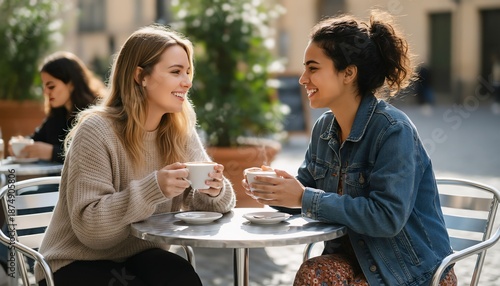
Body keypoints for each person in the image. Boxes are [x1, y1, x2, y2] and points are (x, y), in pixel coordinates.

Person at [242, 11, 456, 286]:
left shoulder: (392, 130)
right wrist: (273, 190)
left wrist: (304, 197)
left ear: (349, 73)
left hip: (409, 272)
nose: (302, 78)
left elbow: (387, 217)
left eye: (313, 68)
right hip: (357, 263)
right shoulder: (324, 128)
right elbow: (305, 192)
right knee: (313, 273)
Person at [34, 24, 236, 285]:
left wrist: (214, 190)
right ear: (140, 75)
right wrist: (153, 188)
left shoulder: (178, 129)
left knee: (181, 276)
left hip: (139, 252)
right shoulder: (96, 130)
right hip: (74, 261)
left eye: (188, 71)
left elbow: (214, 206)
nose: (187, 81)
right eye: (175, 71)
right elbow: (91, 231)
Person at [8, 51, 105, 163]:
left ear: (72, 84)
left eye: (51, 86)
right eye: (44, 86)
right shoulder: (57, 113)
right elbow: (38, 138)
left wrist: (52, 152)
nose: (45, 92)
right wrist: (22, 144)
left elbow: (92, 154)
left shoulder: (94, 114)